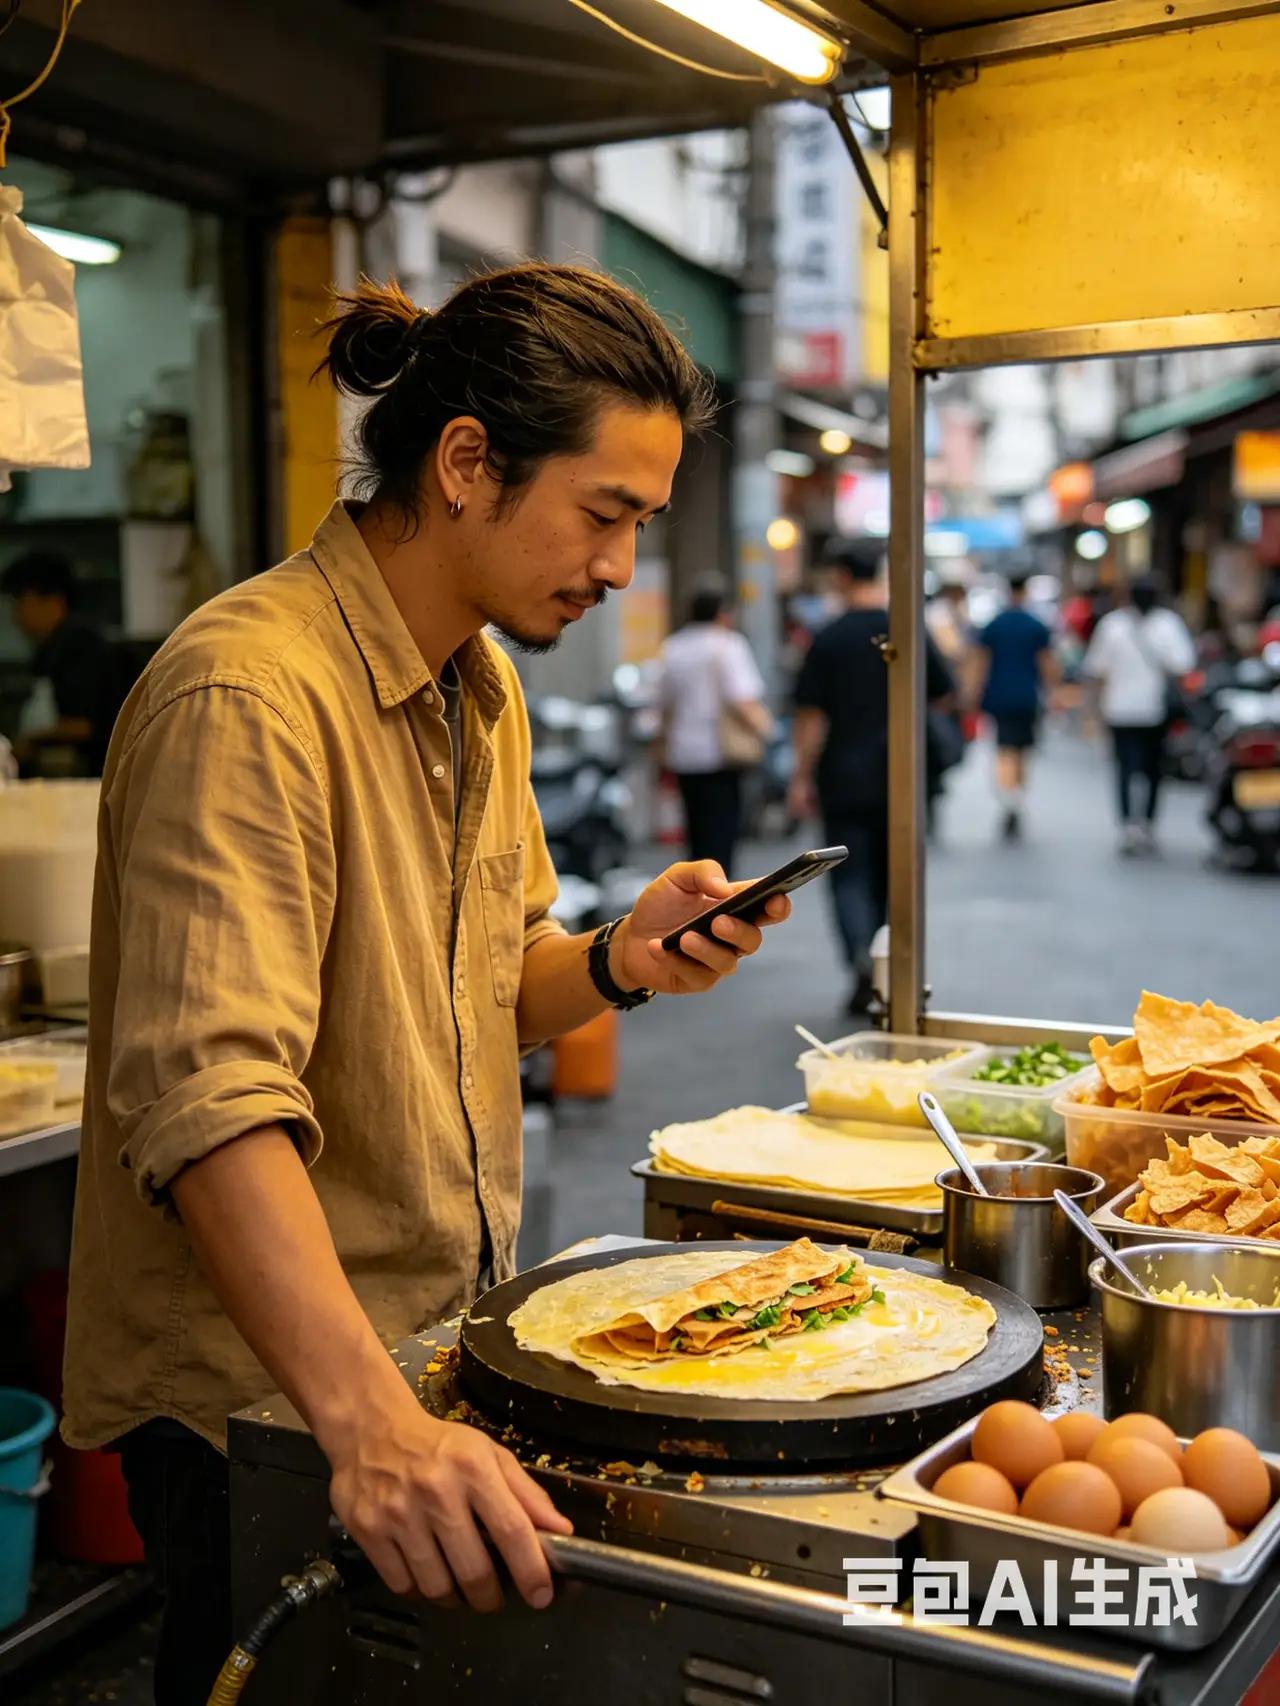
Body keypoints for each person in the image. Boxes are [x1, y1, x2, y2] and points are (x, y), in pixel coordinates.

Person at [60, 265, 795, 1706]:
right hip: (265, 1407)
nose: (624, 568)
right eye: (606, 513)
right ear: (466, 461)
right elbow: (209, 1104)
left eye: (644, 524)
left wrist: (615, 959)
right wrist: (369, 1421)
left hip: (413, 1359)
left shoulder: (479, 683)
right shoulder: (248, 692)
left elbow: (483, 983)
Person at [787, 541, 954, 1016]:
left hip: (843, 774)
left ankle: (861, 958)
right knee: (893, 874)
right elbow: (944, 692)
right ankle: (884, 966)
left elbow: (811, 717)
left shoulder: (829, 637)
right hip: (903, 773)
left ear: (841, 576)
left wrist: (800, 777)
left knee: (847, 875)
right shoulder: (904, 630)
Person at [658, 582, 771, 877]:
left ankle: (694, 890)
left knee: (695, 831)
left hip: (684, 753)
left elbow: (663, 703)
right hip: (721, 754)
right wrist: (766, 729)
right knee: (722, 832)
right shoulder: (728, 645)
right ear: (722, 612)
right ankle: (719, 896)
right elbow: (743, 699)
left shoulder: (674, 647)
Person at [1083, 577, 1195, 855]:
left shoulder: (1114, 625)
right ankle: (1142, 824)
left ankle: (1132, 825)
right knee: (1150, 770)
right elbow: (1183, 665)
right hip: (1142, 710)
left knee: (1130, 769)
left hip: (1128, 709)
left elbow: (1096, 671)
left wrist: (1092, 711)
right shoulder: (1166, 625)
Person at [1, 549, 122, 775]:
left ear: (53, 600)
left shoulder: (79, 644)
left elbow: (82, 726)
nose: (16, 617)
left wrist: (29, 742)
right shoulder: (48, 650)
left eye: (21, 602)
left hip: (95, 775)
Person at [972, 570, 1058, 842]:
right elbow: (1047, 664)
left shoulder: (995, 624)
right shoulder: (1036, 625)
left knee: (1003, 748)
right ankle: (1017, 797)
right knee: (1023, 749)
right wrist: (1054, 692)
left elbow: (980, 662)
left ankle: (1008, 798)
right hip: (1027, 697)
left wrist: (972, 692)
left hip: (999, 695)